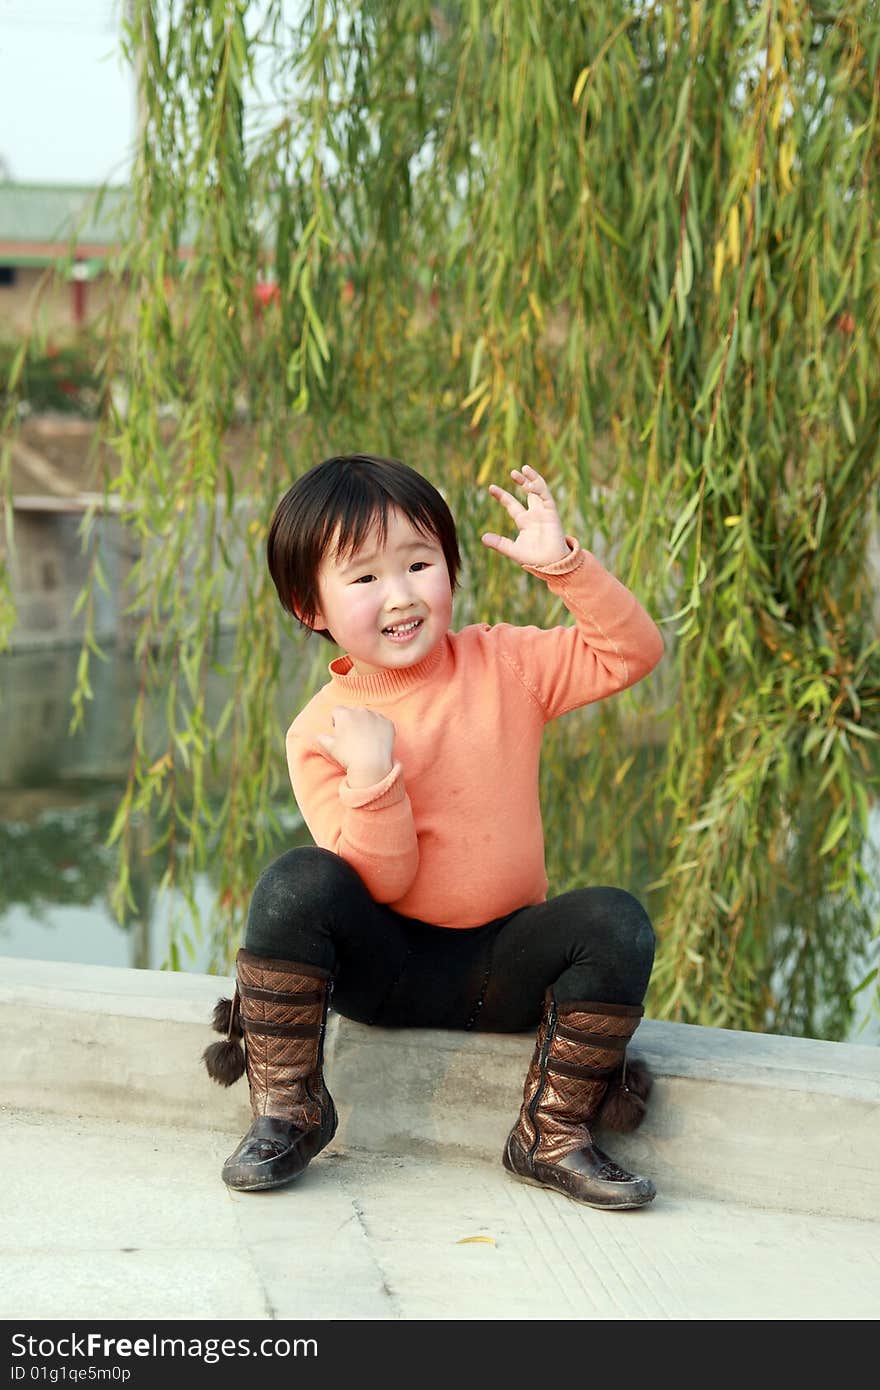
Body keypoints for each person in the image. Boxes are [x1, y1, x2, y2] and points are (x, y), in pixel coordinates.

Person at [204, 453, 664, 1210]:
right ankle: (288, 1111)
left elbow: (631, 654)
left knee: (615, 920)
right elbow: (375, 882)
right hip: (382, 969)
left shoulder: (504, 663)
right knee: (297, 881)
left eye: (419, 563)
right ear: (308, 605)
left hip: (506, 964)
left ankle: (553, 1135)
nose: (401, 594)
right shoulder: (323, 730)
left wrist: (567, 569)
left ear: (450, 567)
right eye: (363, 578)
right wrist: (374, 777)